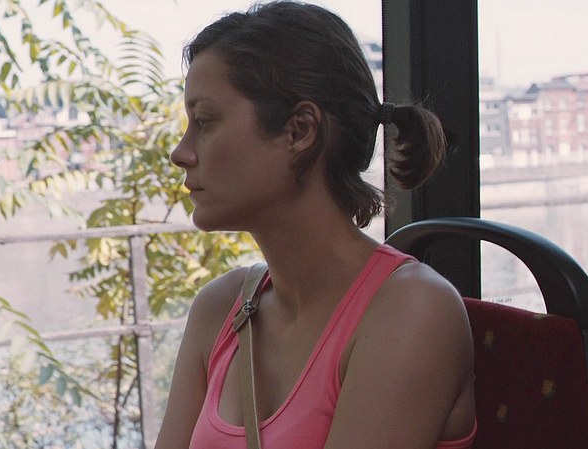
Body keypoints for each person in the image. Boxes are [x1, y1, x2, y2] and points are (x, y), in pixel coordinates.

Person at [155, 2, 476, 448]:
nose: (180, 152)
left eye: (204, 122)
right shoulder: (219, 307)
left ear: (300, 131)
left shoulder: (411, 310)